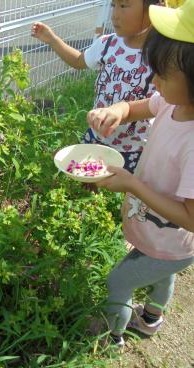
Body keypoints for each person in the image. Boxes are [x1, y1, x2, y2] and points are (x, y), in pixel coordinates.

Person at [86, 0, 194, 348]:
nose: (155, 81)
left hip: (173, 241)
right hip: (161, 238)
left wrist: (132, 183)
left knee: (119, 282)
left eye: (162, 74)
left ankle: (111, 337)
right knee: (164, 274)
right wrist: (117, 109)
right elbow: (142, 106)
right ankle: (152, 318)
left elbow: (192, 219)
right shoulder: (173, 102)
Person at [31, 0, 160, 173]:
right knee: (84, 179)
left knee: (123, 188)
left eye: (123, 6)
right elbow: (78, 61)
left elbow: (161, 103)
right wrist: (53, 40)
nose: (114, 14)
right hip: (96, 134)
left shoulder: (160, 55)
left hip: (134, 146)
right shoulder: (107, 44)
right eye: (113, 5)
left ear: (152, 10)